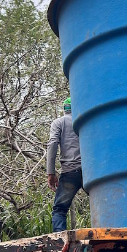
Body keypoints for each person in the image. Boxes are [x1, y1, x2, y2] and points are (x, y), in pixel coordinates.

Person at [46, 97, 83, 232]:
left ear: (64, 109)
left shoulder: (59, 122)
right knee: (102, 201)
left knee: (60, 210)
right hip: (90, 171)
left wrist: (51, 173)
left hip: (70, 172)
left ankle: (60, 242)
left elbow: (52, 144)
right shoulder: (84, 121)